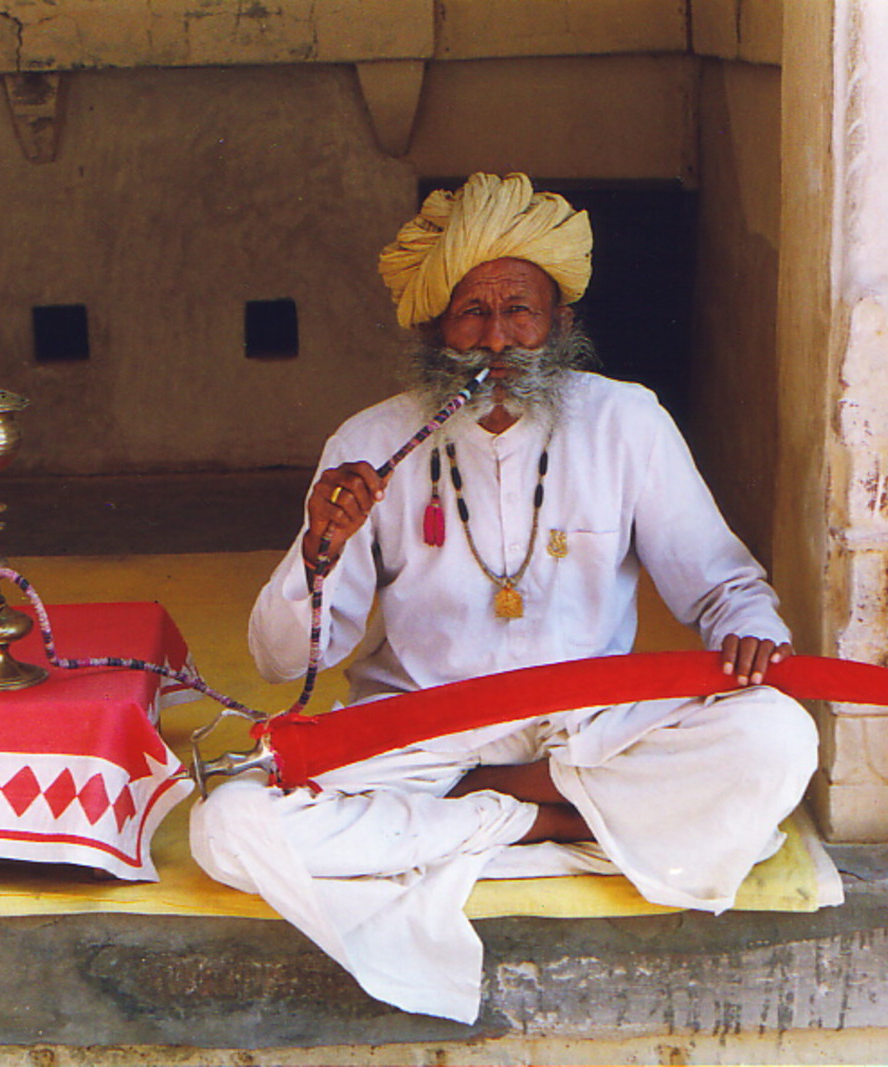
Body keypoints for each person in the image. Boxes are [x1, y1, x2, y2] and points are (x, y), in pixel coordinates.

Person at [189, 173, 822, 1023]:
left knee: (777, 735)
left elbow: (721, 582)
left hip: (585, 727)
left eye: (520, 311)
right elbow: (281, 658)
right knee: (226, 826)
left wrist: (751, 629)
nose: (499, 340)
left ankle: (516, 797)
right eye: (473, 314)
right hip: (417, 733)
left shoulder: (626, 422)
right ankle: (542, 822)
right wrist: (319, 546)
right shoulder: (372, 442)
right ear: (436, 330)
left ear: (560, 322)